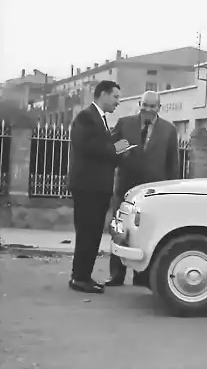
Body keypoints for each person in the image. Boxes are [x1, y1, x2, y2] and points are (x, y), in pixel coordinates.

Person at [105, 90, 180, 287]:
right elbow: (111, 149)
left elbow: (172, 163)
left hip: (153, 192)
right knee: (120, 231)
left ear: (159, 108)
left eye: (152, 106)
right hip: (125, 188)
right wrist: (124, 150)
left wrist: (171, 190)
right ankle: (116, 275)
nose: (147, 109)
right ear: (140, 103)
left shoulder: (169, 130)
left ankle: (142, 276)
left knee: (147, 232)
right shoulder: (125, 123)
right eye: (145, 105)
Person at [67, 80, 130, 294]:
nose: (118, 102)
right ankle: (79, 278)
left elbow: (104, 151)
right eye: (115, 97)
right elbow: (90, 148)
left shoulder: (100, 119)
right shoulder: (86, 117)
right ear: (102, 94)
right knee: (87, 232)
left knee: (93, 233)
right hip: (87, 187)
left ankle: (84, 275)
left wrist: (120, 151)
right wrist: (119, 148)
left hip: (97, 187)